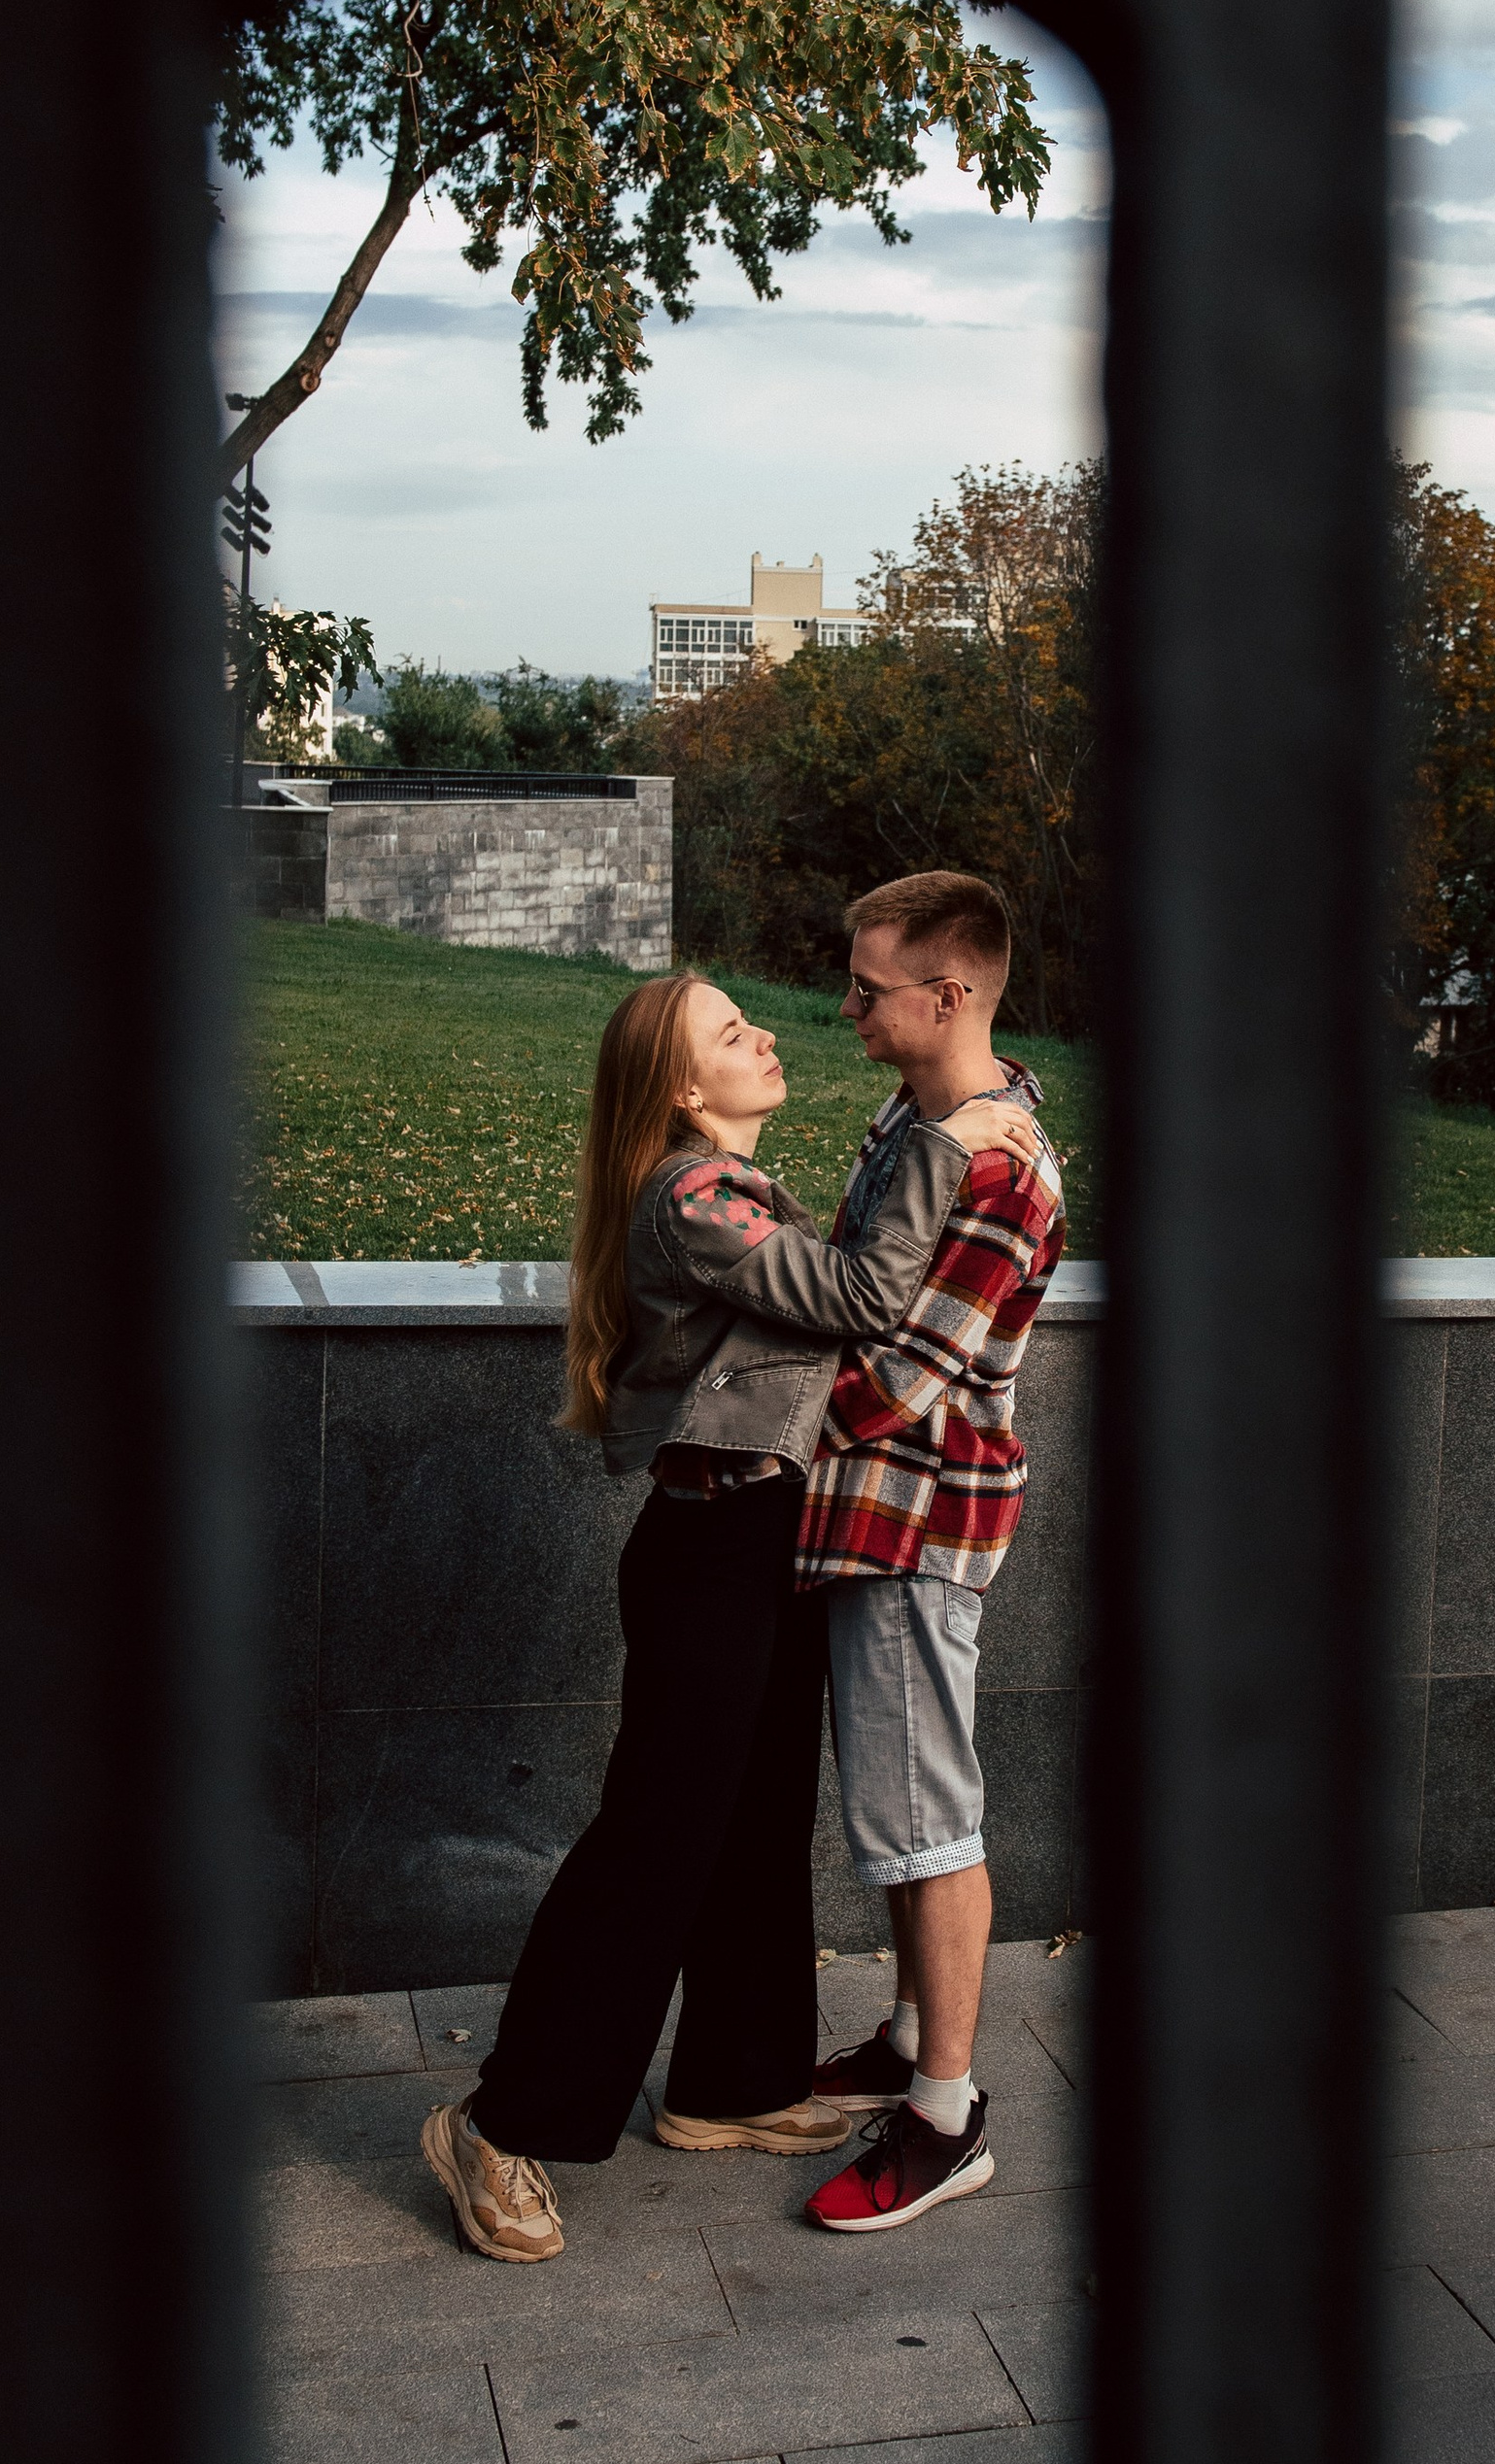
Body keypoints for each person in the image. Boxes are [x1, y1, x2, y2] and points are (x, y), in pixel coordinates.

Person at [420, 967, 1037, 2263]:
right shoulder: (691, 1193)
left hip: (773, 1536)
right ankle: (502, 2118)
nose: (766, 1028)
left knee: (760, 1818)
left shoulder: (740, 1188)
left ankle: (732, 2083)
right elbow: (864, 1300)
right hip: (711, 1546)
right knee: (659, 1834)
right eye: (728, 1030)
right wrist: (944, 1136)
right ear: (686, 1088)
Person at [796, 873, 1070, 2234]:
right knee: (899, 1809)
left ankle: (947, 2113)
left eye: (868, 984)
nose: (845, 1004)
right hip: (878, 1508)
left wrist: (753, 1418)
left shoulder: (997, 1161)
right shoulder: (924, 1116)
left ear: (946, 992)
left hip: (918, 1518)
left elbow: (902, 1370)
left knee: (923, 1818)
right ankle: (909, 2032)